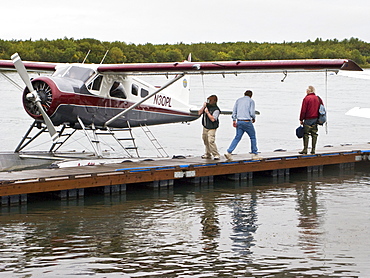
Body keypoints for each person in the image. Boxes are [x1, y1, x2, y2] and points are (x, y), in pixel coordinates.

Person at [224, 90, 262, 161]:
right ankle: (254, 153)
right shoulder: (251, 101)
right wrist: (253, 118)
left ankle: (229, 152)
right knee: (252, 137)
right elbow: (252, 112)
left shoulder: (238, 100)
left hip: (239, 121)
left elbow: (234, 111)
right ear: (251, 95)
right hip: (247, 122)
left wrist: (234, 120)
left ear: (244, 94)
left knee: (237, 137)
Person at [299, 85, 323, 154]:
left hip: (308, 118)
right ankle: (313, 150)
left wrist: (301, 119)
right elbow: (322, 108)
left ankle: (305, 149)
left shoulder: (306, 98)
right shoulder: (318, 98)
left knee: (306, 134)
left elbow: (303, 110)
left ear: (308, 91)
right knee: (314, 134)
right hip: (316, 118)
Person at [198, 95, 221, 160]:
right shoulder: (206, 107)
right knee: (205, 139)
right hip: (205, 126)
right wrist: (203, 107)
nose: (209, 102)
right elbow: (199, 113)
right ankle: (208, 153)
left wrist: (207, 112)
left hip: (212, 127)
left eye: (210, 101)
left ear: (214, 101)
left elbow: (213, 119)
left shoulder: (216, 110)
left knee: (211, 140)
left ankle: (216, 154)